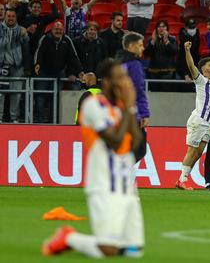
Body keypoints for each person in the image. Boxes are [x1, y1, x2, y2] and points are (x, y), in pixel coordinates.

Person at [42, 59, 144, 259]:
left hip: (126, 185)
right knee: (108, 250)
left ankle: (85, 239)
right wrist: (129, 108)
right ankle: (69, 237)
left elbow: (136, 142)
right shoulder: (93, 105)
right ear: (106, 82)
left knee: (133, 250)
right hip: (103, 182)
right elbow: (114, 142)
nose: (125, 82)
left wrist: (129, 109)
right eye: (120, 78)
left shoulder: (121, 107)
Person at [176, 41, 210, 190]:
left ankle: (183, 178)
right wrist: (187, 50)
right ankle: (182, 179)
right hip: (199, 121)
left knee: (199, 152)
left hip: (208, 124)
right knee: (192, 150)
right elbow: (191, 66)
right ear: (203, 69)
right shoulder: (201, 80)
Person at [34, 21, 83, 123]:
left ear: (63, 30)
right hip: (44, 72)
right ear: (52, 30)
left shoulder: (67, 40)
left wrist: (79, 71)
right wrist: (37, 64)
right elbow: (39, 52)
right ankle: (39, 121)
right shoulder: (45, 38)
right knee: (40, 96)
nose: (58, 31)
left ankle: (53, 121)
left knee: (55, 97)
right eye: (56, 29)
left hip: (58, 72)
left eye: (60, 30)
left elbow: (73, 57)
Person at [115, 32, 150, 162]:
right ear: (130, 46)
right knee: (139, 149)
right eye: (140, 45)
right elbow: (138, 90)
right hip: (130, 113)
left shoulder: (118, 63)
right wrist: (144, 114)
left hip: (116, 112)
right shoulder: (134, 65)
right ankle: (119, 173)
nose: (143, 48)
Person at [0, 8, 30, 123]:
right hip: (1, 67)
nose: (11, 18)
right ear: (5, 16)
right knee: (0, 94)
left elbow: (26, 50)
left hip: (17, 67)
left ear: (16, 18)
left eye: (13, 16)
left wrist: (27, 68)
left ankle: (14, 119)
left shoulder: (22, 31)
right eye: (9, 16)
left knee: (16, 94)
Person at [21, 0, 59, 65]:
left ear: (41, 9)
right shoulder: (25, 19)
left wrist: (51, 1)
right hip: (26, 51)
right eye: (34, 7)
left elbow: (56, 14)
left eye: (38, 7)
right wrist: (26, 30)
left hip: (39, 51)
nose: (36, 9)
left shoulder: (43, 19)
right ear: (30, 9)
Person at [144, 20, 178, 92]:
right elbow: (146, 54)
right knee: (154, 94)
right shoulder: (151, 39)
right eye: (159, 26)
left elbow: (174, 52)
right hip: (153, 72)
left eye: (163, 26)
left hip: (168, 72)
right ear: (156, 29)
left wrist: (166, 41)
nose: (161, 28)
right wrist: (153, 42)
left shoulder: (172, 39)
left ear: (167, 28)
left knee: (166, 94)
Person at [177, 18, 200, 86]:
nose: (192, 30)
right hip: (183, 73)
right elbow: (181, 60)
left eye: (193, 27)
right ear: (186, 28)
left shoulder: (197, 37)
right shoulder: (182, 41)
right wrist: (185, 75)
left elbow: (196, 59)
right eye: (190, 27)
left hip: (194, 73)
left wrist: (194, 74)